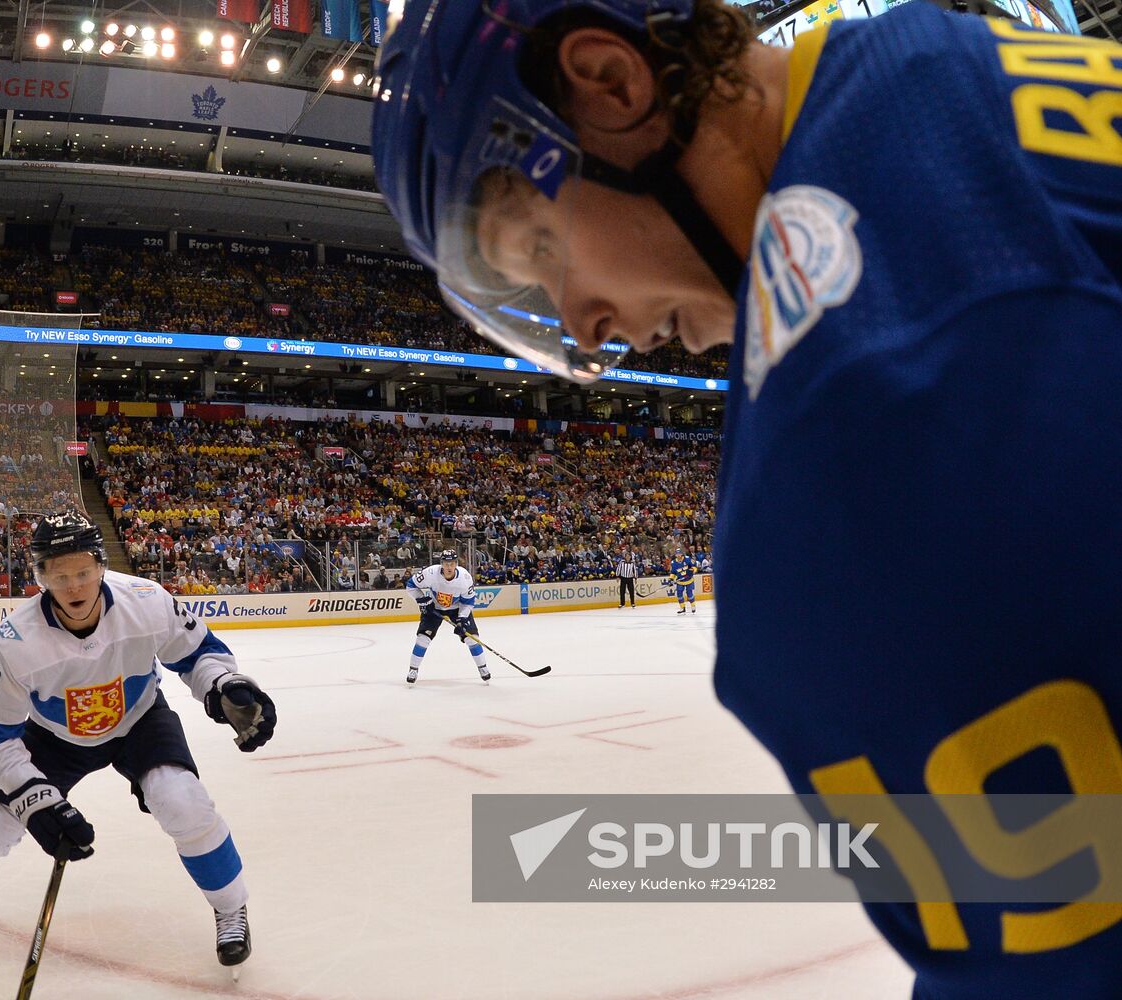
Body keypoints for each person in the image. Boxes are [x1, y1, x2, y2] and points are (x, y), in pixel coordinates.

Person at [373, 2, 1122, 998]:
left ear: (609, 82)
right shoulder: (938, 48)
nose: (583, 330)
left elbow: (1049, 959)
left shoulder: (836, 464)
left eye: (542, 253)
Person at [0, 513, 276, 973]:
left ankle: (230, 908)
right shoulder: (14, 641)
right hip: (55, 738)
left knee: (183, 802)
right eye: (59, 576)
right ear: (41, 578)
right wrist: (38, 803)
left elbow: (198, 654)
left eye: (83, 573)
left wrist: (223, 685)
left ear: (100, 566)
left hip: (139, 720)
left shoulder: (147, 601)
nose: (74, 587)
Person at [403, 549, 490, 685]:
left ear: (456, 564)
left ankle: (483, 667)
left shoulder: (465, 578)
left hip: (457, 609)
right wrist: (422, 600)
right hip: (434, 608)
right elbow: (411, 585)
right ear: (441, 564)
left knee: (472, 639)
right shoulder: (430, 573)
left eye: (452, 564)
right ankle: (413, 669)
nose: (449, 567)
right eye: (446, 563)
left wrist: (461, 619)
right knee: (423, 638)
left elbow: (468, 602)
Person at [668, 545, 697, 614]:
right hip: (680, 581)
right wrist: (671, 579)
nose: (678, 555)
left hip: (689, 580)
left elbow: (694, 566)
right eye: (677, 554)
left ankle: (693, 606)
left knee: (689, 594)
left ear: (682, 554)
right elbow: (673, 572)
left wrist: (692, 571)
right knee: (679, 594)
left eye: (679, 553)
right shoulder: (673, 563)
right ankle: (682, 607)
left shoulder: (687, 559)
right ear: (675, 555)